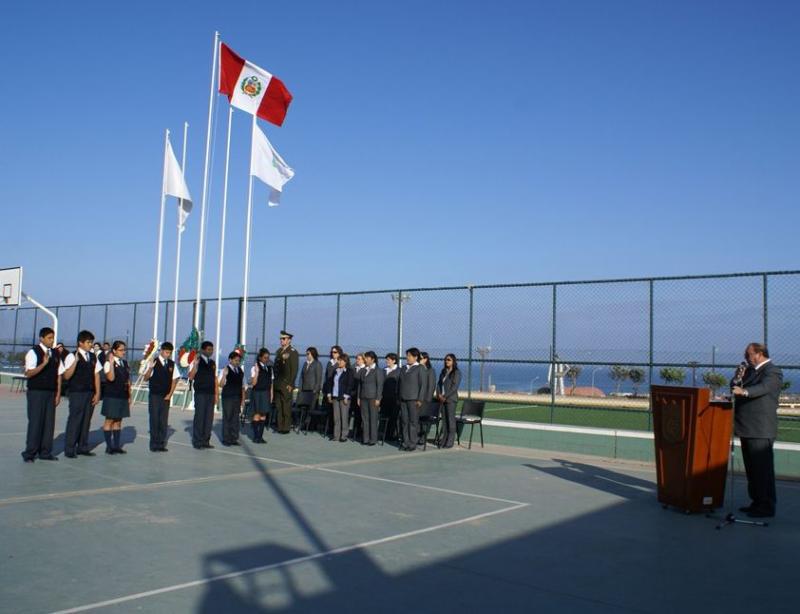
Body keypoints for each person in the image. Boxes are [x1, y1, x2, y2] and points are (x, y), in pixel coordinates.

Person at [731, 342, 783, 518]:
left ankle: (767, 506)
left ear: (759, 354)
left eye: (749, 354)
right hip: (746, 427)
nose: (746, 358)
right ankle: (756, 502)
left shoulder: (772, 371)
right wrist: (737, 377)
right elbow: (735, 388)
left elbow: (763, 388)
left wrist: (744, 392)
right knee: (752, 470)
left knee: (762, 470)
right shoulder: (750, 371)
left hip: (760, 428)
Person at [21, 327, 64, 462]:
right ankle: (30, 453)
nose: (52, 340)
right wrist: (44, 364)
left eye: (53, 338)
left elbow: (59, 374)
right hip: (36, 392)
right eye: (49, 338)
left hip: (50, 392)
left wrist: (58, 393)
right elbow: (29, 373)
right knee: (35, 422)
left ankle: (45, 452)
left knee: (49, 423)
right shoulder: (33, 352)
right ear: (41, 338)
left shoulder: (55, 353)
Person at [62, 330, 101, 458]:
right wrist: (75, 362)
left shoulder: (93, 357)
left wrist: (97, 393)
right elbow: (66, 375)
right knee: (75, 420)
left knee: (86, 421)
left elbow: (96, 375)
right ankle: (70, 448)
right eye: (88, 342)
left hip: (89, 392)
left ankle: (82, 447)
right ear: (80, 343)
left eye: (91, 342)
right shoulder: (72, 356)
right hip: (77, 393)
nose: (91, 344)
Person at [142, 341, 179, 452]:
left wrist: (170, 394)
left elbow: (175, 380)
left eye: (170, 353)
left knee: (163, 420)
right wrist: (150, 368)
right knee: (154, 419)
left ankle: (161, 444)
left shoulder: (172, 364)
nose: (168, 354)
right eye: (166, 352)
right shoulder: (153, 361)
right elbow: (145, 378)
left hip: (165, 396)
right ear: (161, 351)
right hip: (155, 395)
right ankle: (154, 444)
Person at [100, 341, 131, 455]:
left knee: (118, 421)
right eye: (121, 350)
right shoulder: (108, 363)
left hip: (122, 395)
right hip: (112, 396)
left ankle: (117, 446)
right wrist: (112, 363)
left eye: (124, 350)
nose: (123, 352)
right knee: (109, 420)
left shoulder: (125, 363)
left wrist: (129, 395)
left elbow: (128, 380)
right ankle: (109, 447)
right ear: (114, 351)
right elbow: (111, 378)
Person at [188, 341, 218, 449]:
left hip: (210, 393)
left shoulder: (212, 363)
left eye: (212, 349)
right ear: (203, 350)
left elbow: (214, 379)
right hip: (200, 393)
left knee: (209, 418)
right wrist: (195, 366)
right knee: (200, 417)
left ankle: (206, 441)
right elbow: (190, 376)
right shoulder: (197, 361)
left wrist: (216, 395)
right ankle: (197, 441)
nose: (211, 351)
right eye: (209, 349)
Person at [398, 347, 426, 451]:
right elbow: (399, 383)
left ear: (415, 357)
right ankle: (406, 442)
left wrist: (420, 399)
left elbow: (423, 385)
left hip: (414, 399)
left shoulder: (420, 368)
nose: (407, 357)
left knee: (413, 422)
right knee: (404, 421)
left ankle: (412, 443)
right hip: (403, 398)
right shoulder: (404, 368)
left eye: (409, 356)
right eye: (407, 355)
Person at [273, 331, 299, 433]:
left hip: (286, 384)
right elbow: (276, 367)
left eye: (284, 339)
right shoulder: (279, 351)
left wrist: (291, 384)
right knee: (279, 406)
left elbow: (294, 369)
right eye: (281, 339)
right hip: (278, 383)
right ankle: (280, 426)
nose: (281, 340)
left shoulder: (292, 352)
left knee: (286, 406)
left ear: (289, 340)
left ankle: (286, 427)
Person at [324, 352, 353, 442]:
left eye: (340, 360)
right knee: (336, 417)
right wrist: (329, 394)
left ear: (345, 361)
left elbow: (350, 384)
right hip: (335, 397)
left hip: (344, 398)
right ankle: (336, 436)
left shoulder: (349, 371)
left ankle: (344, 436)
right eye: (338, 360)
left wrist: (346, 396)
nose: (338, 362)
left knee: (344, 417)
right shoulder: (335, 371)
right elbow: (330, 383)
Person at [218, 351, 245, 446]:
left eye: (239, 361)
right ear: (230, 360)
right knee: (227, 417)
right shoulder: (225, 370)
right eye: (236, 360)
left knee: (235, 418)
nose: (237, 362)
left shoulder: (240, 371)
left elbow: (243, 386)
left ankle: (234, 438)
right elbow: (220, 384)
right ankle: (226, 439)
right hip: (228, 397)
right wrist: (224, 375)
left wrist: (243, 400)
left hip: (237, 397)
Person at [358, 351, 385, 446]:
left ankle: (373, 439)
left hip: (373, 398)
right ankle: (365, 438)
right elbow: (360, 384)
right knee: (365, 418)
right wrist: (358, 397)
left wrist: (378, 398)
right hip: (363, 397)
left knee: (373, 418)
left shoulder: (378, 370)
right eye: (365, 358)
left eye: (367, 358)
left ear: (373, 359)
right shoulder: (363, 370)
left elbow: (380, 385)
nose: (365, 359)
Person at [249, 348, 273, 443]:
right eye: (265, 357)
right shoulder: (254, 368)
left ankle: (260, 437)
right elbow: (253, 383)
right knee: (257, 415)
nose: (266, 359)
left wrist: (271, 395)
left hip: (266, 393)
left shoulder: (269, 368)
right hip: (257, 393)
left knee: (263, 415)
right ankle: (256, 437)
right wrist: (257, 372)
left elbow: (271, 383)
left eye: (267, 358)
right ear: (260, 357)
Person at [437, 354, 461, 448]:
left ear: (453, 361)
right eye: (445, 360)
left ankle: (450, 441)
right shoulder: (443, 372)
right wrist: (439, 394)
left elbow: (454, 387)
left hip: (451, 399)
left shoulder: (456, 373)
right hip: (442, 399)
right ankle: (444, 439)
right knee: (444, 421)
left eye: (449, 360)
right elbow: (439, 384)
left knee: (450, 420)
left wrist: (445, 396)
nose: (446, 361)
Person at [381, 353, 401, 441]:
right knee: (384, 416)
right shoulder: (383, 370)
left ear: (394, 360)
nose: (387, 361)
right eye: (386, 359)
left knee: (393, 417)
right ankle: (383, 434)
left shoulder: (399, 371)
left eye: (388, 360)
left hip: (394, 398)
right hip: (384, 398)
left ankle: (392, 435)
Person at [350, 353, 366, 439]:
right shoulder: (353, 368)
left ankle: (359, 431)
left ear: (363, 360)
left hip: (360, 395)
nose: (357, 360)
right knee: (352, 413)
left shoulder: (365, 369)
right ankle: (353, 431)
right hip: (352, 395)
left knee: (360, 415)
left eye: (359, 359)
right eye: (356, 358)